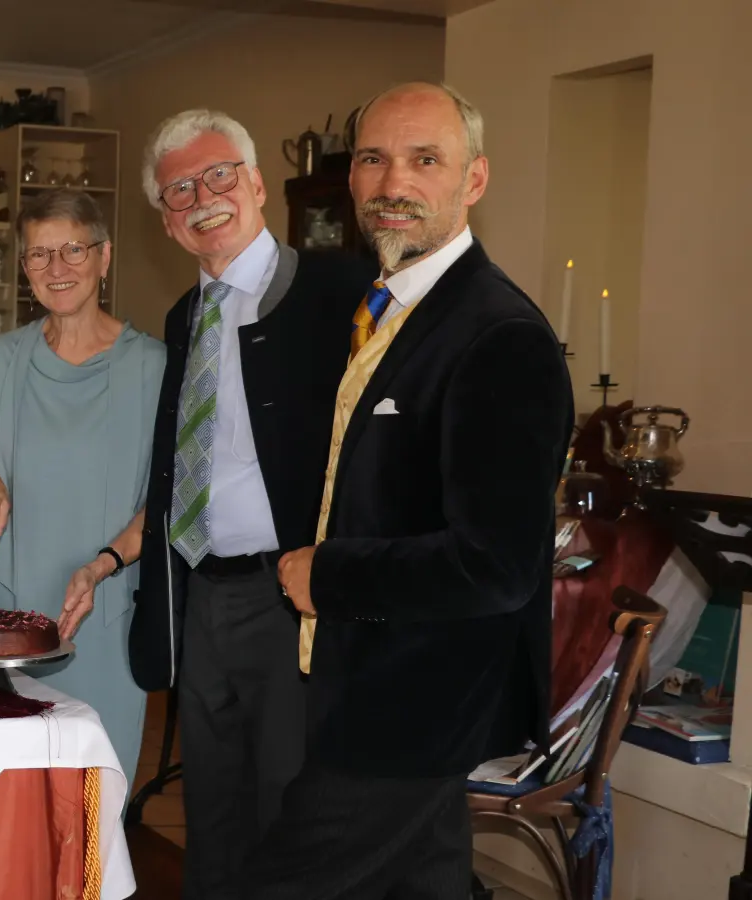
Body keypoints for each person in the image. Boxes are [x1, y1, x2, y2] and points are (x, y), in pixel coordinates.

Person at [239, 82, 574, 898]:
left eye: (426, 160)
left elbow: (497, 566)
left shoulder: (502, 338)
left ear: (475, 180)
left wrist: (330, 574)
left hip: (416, 707)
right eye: (374, 160)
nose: (395, 184)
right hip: (367, 683)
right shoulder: (388, 307)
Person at [127, 109, 374, 896]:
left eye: (219, 174)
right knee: (215, 813)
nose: (203, 196)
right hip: (204, 593)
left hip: (293, 597)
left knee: (290, 813)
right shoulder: (182, 318)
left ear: (258, 182)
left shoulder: (344, 293)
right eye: (179, 191)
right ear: (167, 225)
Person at [0, 188, 164, 778]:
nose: (57, 269)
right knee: (8, 796)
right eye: (38, 255)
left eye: (73, 250)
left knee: (94, 805)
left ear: (105, 257)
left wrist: (102, 566)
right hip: (10, 618)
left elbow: (165, 507)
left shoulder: (154, 366)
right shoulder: (2, 360)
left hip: (103, 612)